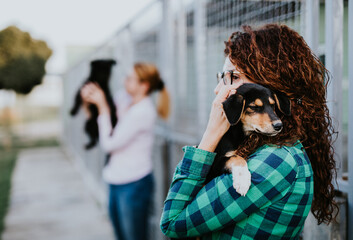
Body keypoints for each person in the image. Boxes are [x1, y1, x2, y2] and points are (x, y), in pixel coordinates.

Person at [160, 24, 337, 239]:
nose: (218, 90)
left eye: (232, 77)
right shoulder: (258, 147)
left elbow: (172, 223)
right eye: (221, 77)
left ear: (268, 83)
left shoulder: (275, 161)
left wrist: (210, 136)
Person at [81, 62, 170, 240]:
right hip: (116, 180)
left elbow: (109, 143)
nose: (124, 81)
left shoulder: (143, 112)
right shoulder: (124, 99)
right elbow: (98, 117)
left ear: (143, 86)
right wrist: (89, 99)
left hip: (134, 184)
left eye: (129, 79)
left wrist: (103, 107)